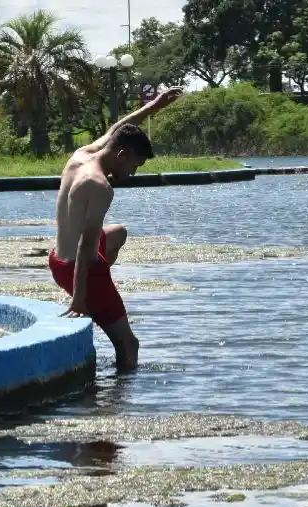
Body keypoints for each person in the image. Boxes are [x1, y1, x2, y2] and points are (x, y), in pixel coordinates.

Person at [49, 87, 184, 373]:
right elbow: (86, 247)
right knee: (129, 344)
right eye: (135, 165)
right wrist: (79, 300)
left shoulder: (80, 156)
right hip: (77, 268)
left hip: (56, 259)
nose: (134, 173)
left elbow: (117, 129)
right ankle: (120, 392)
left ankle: (98, 298)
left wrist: (154, 106)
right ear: (122, 154)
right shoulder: (100, 186)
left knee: (118, 232)